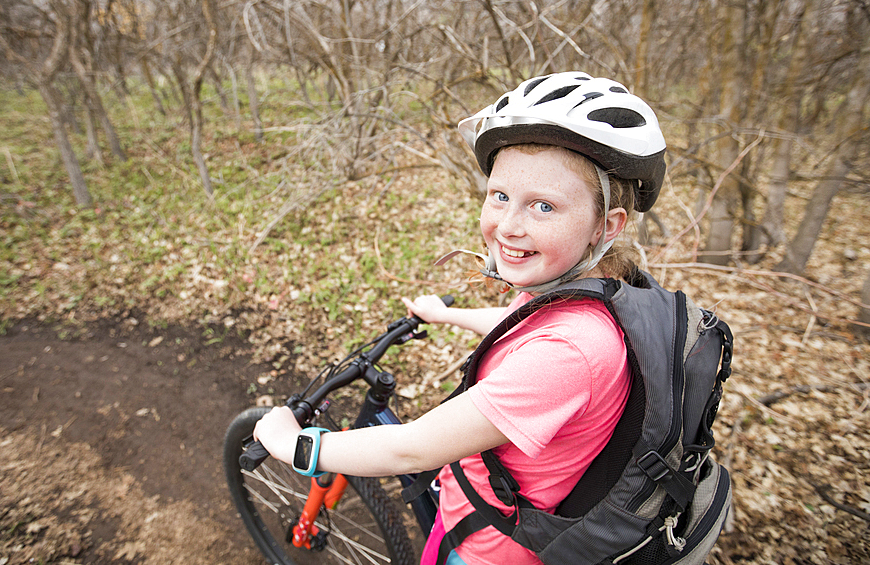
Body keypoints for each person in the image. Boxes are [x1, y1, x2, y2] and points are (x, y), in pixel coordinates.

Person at [253, 71, 668, 565]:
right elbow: (521, 328)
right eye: (499, 196)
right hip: (479, 513)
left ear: (606, 226)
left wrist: (295, 445)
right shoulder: (585, 292)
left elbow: (413, 449)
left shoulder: (573, 351)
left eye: (543, 206)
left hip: (488, 552)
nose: (508, 227)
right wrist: (445, 316)